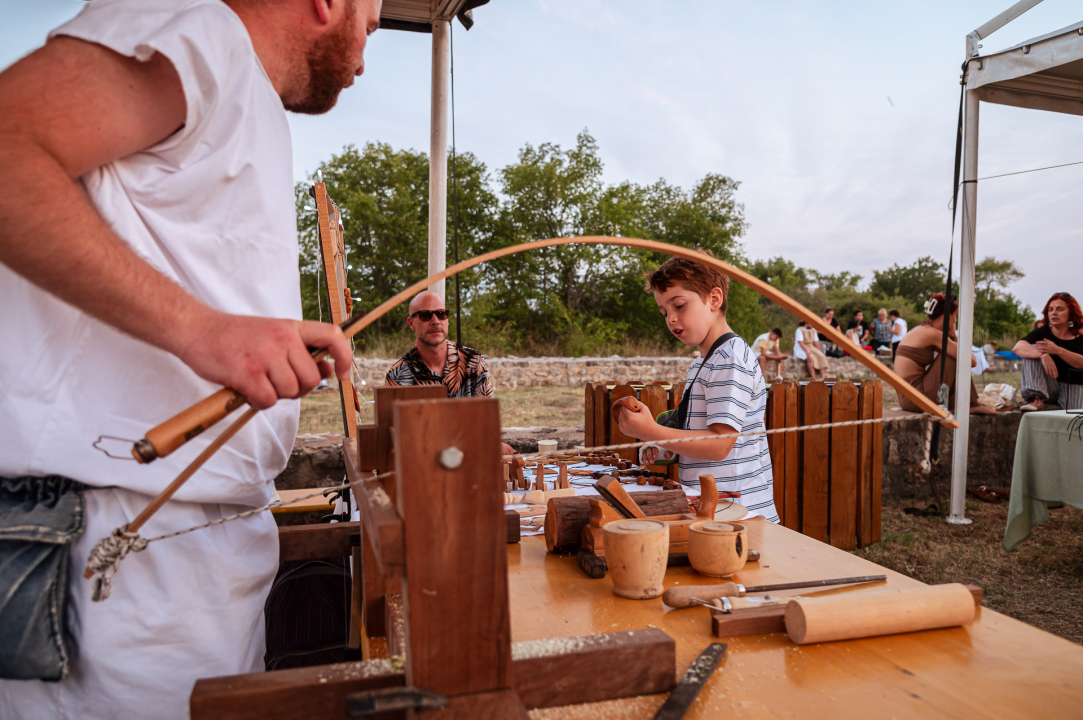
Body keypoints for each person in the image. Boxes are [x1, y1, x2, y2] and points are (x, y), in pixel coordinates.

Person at [0, 0, 379, 717]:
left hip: (173, 548)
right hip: (111, 552)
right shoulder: (199, 28)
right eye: (374, 24)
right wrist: (204, 331)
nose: (365, 57)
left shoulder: (237, 88)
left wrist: (239, 332)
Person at [614, 255, 779, 522]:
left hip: (741, 516)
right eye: (665, 312)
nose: (671, 318)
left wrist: (649, 430)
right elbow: (700, 434)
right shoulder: (704, 362)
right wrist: (666, 446)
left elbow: (720, 445)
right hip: (716, 512)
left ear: (714, 299)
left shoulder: (730, 359)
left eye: (679, 305)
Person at [385, 291, 515, 455]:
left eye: (441, 314)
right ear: (411, 323)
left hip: (473, 462)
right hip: (423, 467)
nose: (435, 321)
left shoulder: (472, 362)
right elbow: (401, 440)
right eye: (425, 315)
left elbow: (487, 423)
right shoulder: (398, 376)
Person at [893, 294, 997, 415]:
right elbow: (971, 361)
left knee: (954, 354)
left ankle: (963, 405)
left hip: (907, 397)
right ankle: (971, 404)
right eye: (955, 316)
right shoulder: (933, 334)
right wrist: (953, 335)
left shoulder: (921, 328)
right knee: (954, 357)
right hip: (916, 397)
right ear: (946, 316)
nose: (956, 321)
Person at [1012, 292, 1083, 411]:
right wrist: (1043, 354)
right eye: (1050, 309)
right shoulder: (1043, 332)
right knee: (1034, 347)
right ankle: (1034, 397)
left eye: (1060, 309)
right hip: (1048, 386)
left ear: (1071, 313)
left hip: (1073, 387)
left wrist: (1058, 350)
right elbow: (1018, 347)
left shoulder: (1079, 336)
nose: (1054, 313)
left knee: (1076, 422)